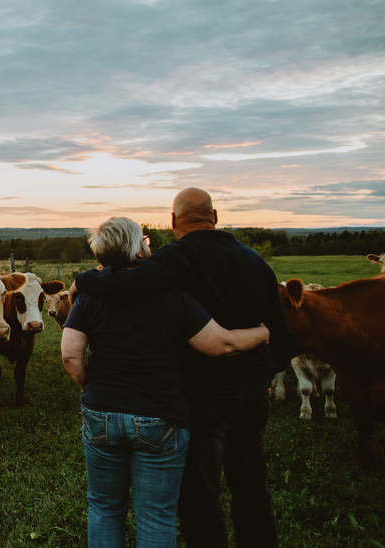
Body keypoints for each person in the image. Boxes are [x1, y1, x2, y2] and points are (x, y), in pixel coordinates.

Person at [73, 189, 293, 547]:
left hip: (202, 394)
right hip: (252, 394)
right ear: (216, 216)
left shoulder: (177, 256)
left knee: (200, 496)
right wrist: (263, 374)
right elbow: (283, 341)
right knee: (251, 486)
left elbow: (131, 282)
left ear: (173, 221)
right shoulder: (256, 262)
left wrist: (85, 280)